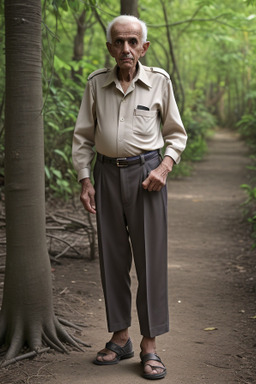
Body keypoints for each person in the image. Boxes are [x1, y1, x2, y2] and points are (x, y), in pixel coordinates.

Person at [72, 15, 187, 380]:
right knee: (113, 259)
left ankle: (149, 346)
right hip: (105, 175)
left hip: (147, 176)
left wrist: (164, 168)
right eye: (119, 42)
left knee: (150, 261)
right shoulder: (95, 84)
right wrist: (85, 179)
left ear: (144, 47)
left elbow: (177, 134)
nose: (126, 49)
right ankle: (120, 337)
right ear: (110, 47)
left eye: (133, 42)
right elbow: (83, 138)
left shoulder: (159, 82)